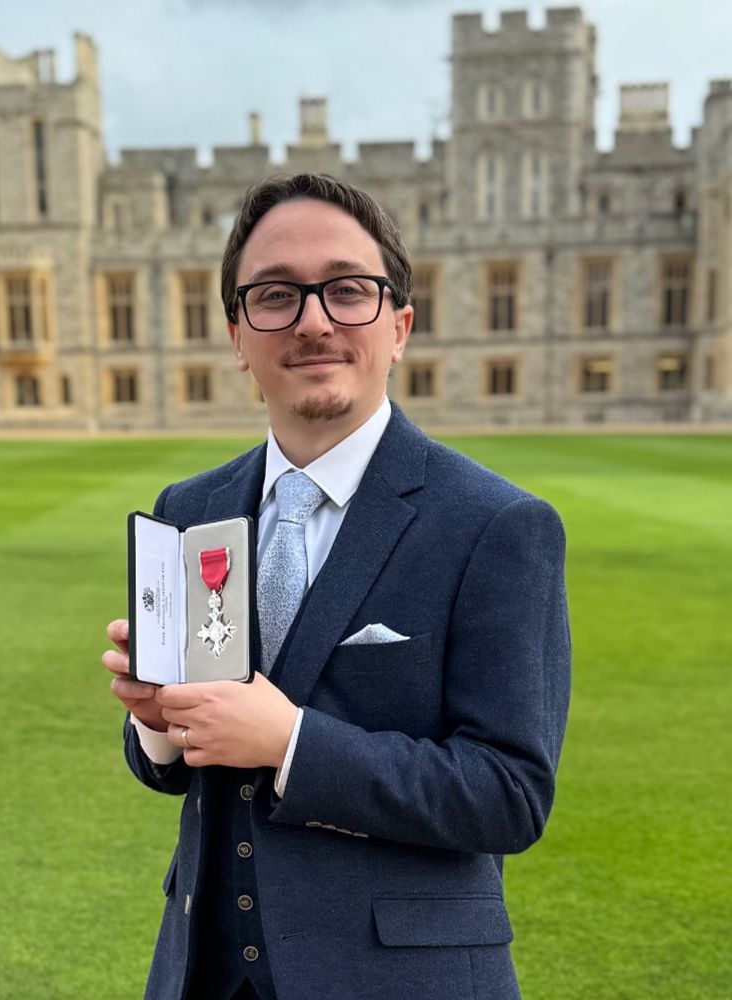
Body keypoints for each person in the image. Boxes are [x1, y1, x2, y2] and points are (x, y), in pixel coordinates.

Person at [102, 173, 571, 1000]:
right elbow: (179, 764)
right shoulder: (190, 508)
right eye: (276, 295)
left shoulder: (497, 526)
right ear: (238, 335)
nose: (314, 320)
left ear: (399, 326)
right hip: (202, 974)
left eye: (347, 291)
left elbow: (509, 794)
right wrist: (158, 727)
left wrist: (290, 742)